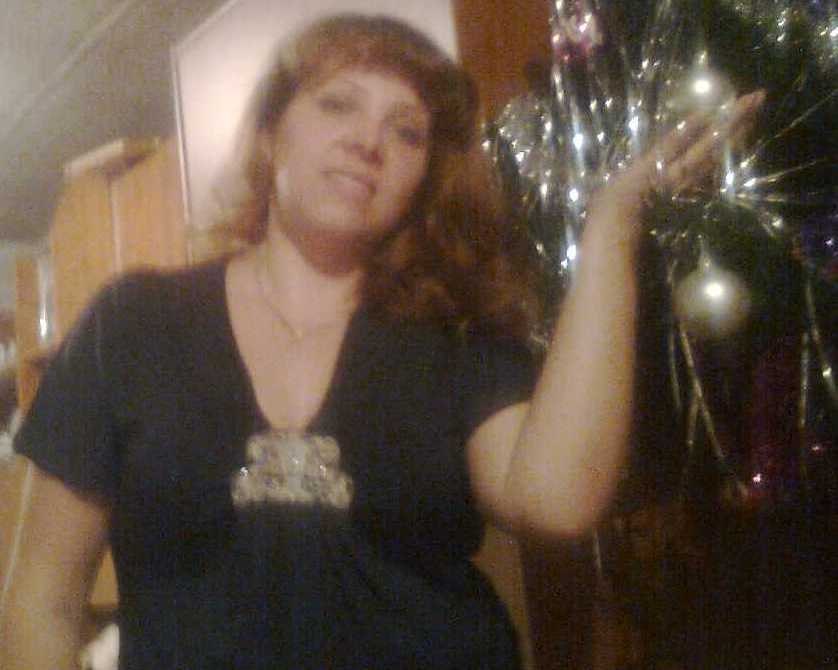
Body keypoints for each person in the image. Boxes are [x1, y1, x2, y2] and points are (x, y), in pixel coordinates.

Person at [0, 13, 763, 670]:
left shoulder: (456, 336)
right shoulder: (130, 324)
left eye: (407, 131)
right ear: (271, 132)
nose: (369, 141)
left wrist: (612, 226)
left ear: (424, 177)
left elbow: (558, 502)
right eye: (338, 104)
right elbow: (42, 600)